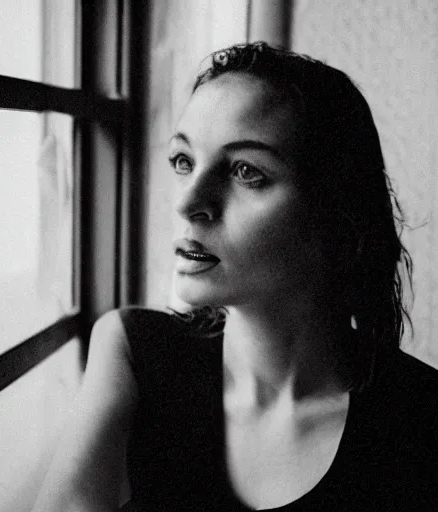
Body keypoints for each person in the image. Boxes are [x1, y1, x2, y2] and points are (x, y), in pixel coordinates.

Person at [31, 42, 438, 512]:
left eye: (246, 171)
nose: (188, 202)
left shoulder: (421, 422)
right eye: (184, 161)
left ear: (335, 213)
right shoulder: (134, 351)